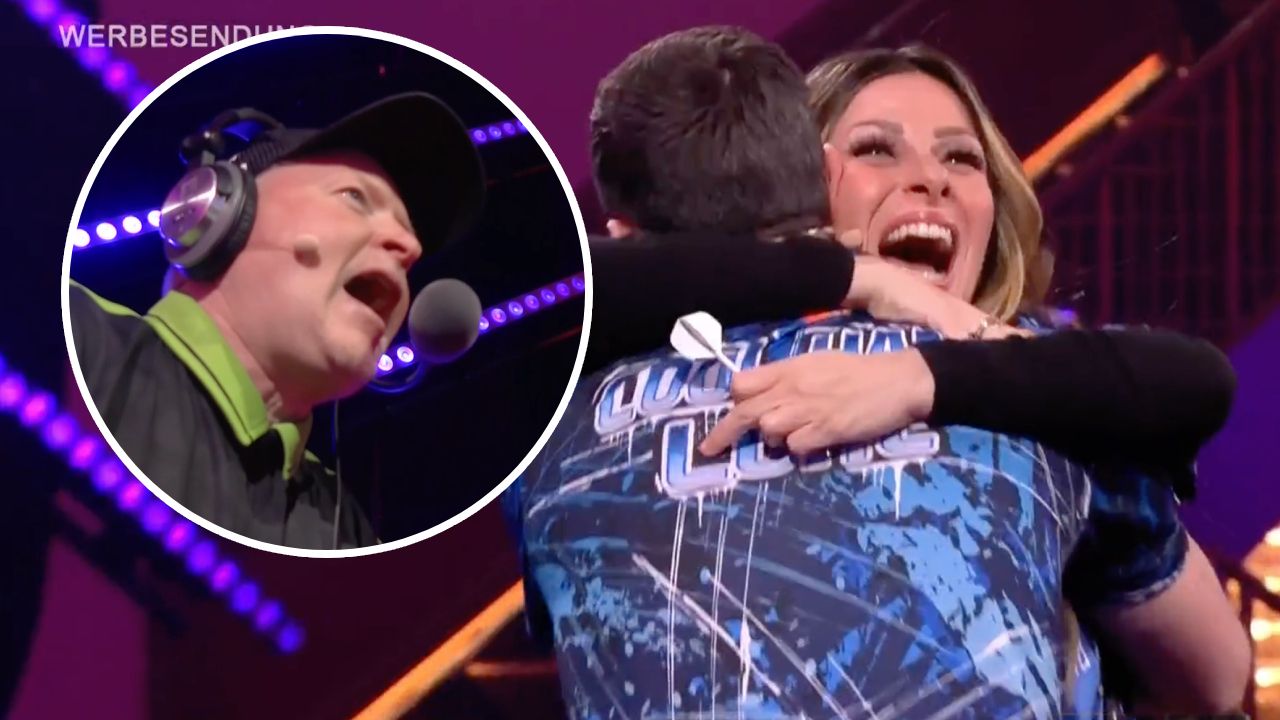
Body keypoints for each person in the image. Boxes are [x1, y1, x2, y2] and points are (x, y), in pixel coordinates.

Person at [509, 27, 1246, 720]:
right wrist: (853, 278)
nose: (929, 180)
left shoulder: (1056, 387)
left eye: (963, 159)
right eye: (876, 150)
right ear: (812, 176)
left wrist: (921, 378)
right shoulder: (591, 397)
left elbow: (1214, 680)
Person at [67, 93, 485, 550]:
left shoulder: (344, 533)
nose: (409, 248)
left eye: (412, 242)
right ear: (220, 214)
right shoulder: (68, 338)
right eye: (355, 197)